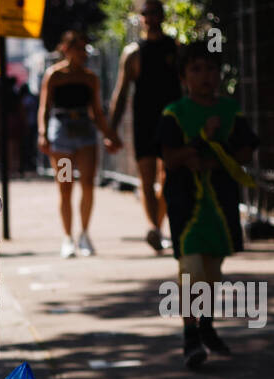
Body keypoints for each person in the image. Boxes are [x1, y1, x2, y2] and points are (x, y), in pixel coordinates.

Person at [159, 42, 259, 370]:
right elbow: (170, 159)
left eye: (211, 69)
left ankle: (206, 326)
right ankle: (190, 337)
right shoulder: (174, 113)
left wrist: (221, 150)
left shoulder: (231, 111)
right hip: (186, 205)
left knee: (213, 274)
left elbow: (246, 150)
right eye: (196, 70)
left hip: (220, 206)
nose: (205, 76)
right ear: (184, 76)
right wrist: (199, 142)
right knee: (192, 271)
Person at [108, 0, 183, 252]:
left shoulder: (176, 48)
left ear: (162, 15)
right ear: (140, 18)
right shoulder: (133, 52)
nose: (150, 17)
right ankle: (154, 227)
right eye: (146, 13)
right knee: (147, 178)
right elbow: (119, 95)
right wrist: (111, 130)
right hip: (144, 121)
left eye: (155, 12)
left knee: (168, 176)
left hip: (172, 122)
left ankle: (158, 227)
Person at [38, 31, 117, 258]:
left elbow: (97, 112)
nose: (83, 53)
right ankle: (67, 238)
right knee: (65, 187)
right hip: (61, 134)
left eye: (84, 48)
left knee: (88, 184)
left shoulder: (90, 77)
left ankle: (84, 234)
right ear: (66, 49)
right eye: (78, 48)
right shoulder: (54, 75)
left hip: (85, 132)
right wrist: (43, 134)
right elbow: (44, 107)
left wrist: (109, 134)